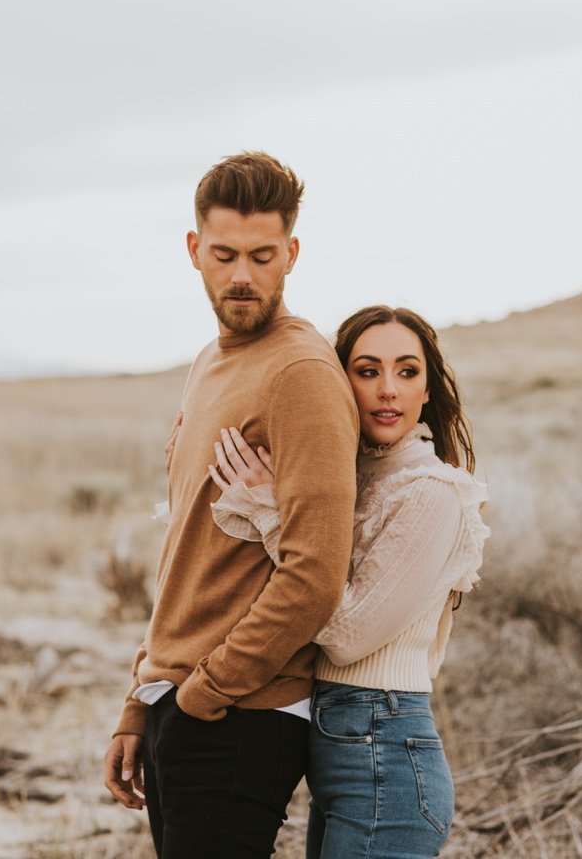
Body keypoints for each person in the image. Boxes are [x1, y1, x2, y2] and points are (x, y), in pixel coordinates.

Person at [103, 152, 359, 858]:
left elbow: (315, 574)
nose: (242, 275)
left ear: (292, 254)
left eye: (261, 255)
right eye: (224, 255)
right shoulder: (209, 363)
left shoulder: (301, 373)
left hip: (239, 717)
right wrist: (142, 696)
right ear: (195, 251)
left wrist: (205, 693)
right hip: (182, 701)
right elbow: (188, 548)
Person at [209, 305, 489, 859]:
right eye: (367, 371)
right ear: (341, 385)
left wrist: (272, 514)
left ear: (428, 390)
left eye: (407, 372)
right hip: (347, 752)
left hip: (385, 748)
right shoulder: (348, 481)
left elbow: (345, 634)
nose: (388, 390)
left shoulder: (431, 492)